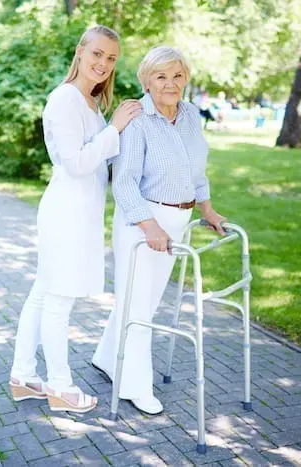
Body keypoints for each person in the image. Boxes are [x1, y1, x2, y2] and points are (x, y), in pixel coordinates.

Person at [9, 25, 142, 414]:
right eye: (97, 54)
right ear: (81, 52)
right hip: (65, 213)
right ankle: (60, 387)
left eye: (111, 58)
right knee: (57, 300)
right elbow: (77, 162)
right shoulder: (65, 98)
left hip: (79, 213)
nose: (103, 63)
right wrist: (116, 127)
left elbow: (99, 162)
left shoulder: (90, 103)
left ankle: (22, 375)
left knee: (42, 294)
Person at [92, 46, 226, 415]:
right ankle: (135, 386)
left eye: (177, 76)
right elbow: (124, 182)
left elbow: (195, 170)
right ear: (146, 82)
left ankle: (107, 357)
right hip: (142, 222)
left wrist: (208, 209)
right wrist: (149, 226)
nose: (170, 84)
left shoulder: (191, 115)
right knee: (139, 305)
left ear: (186, 78)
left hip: (177, 221)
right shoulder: (137, 118)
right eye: (161, 77)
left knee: (144, 301)